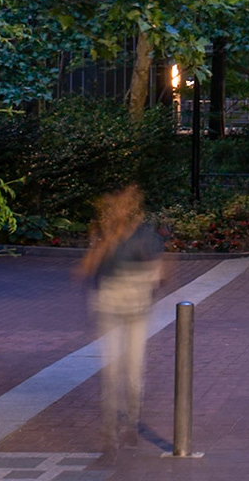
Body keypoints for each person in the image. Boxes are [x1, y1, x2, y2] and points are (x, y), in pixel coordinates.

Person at [76, 185, 164, 453]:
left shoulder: (146, 234)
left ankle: (131, 423)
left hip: (137, 311)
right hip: (109, 308)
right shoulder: (103, 234)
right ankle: (109, 431)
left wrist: (152, 274)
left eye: (125, 205)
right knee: (112, 371)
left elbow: (160, 272)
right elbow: (84, 270)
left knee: (134, 371)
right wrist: (106, 242)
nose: (119, 210)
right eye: (115, 206)